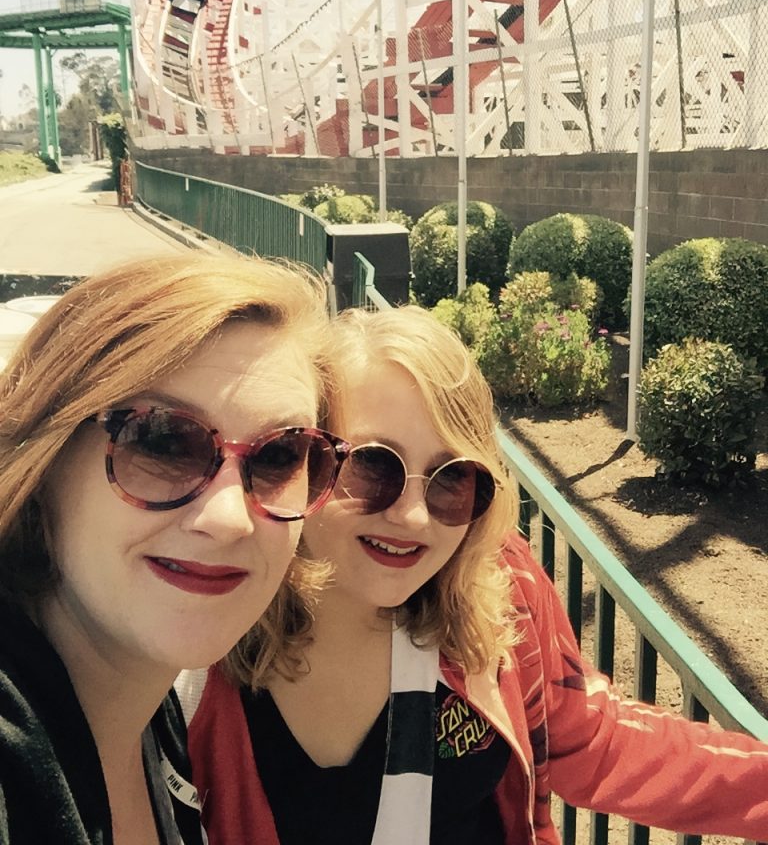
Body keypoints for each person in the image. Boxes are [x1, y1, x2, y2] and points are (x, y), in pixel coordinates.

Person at [179, 305, 768, 844]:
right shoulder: (199, 637)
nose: (411, 516)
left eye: (452, 481)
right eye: (372, 467)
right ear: (301, 461)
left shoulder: (499, 590)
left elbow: (593, 740)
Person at [0, 254, 349, 844]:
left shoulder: (151, 714)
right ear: (46, 459)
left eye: (280, 456)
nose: (229, 517)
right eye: (163, 441)